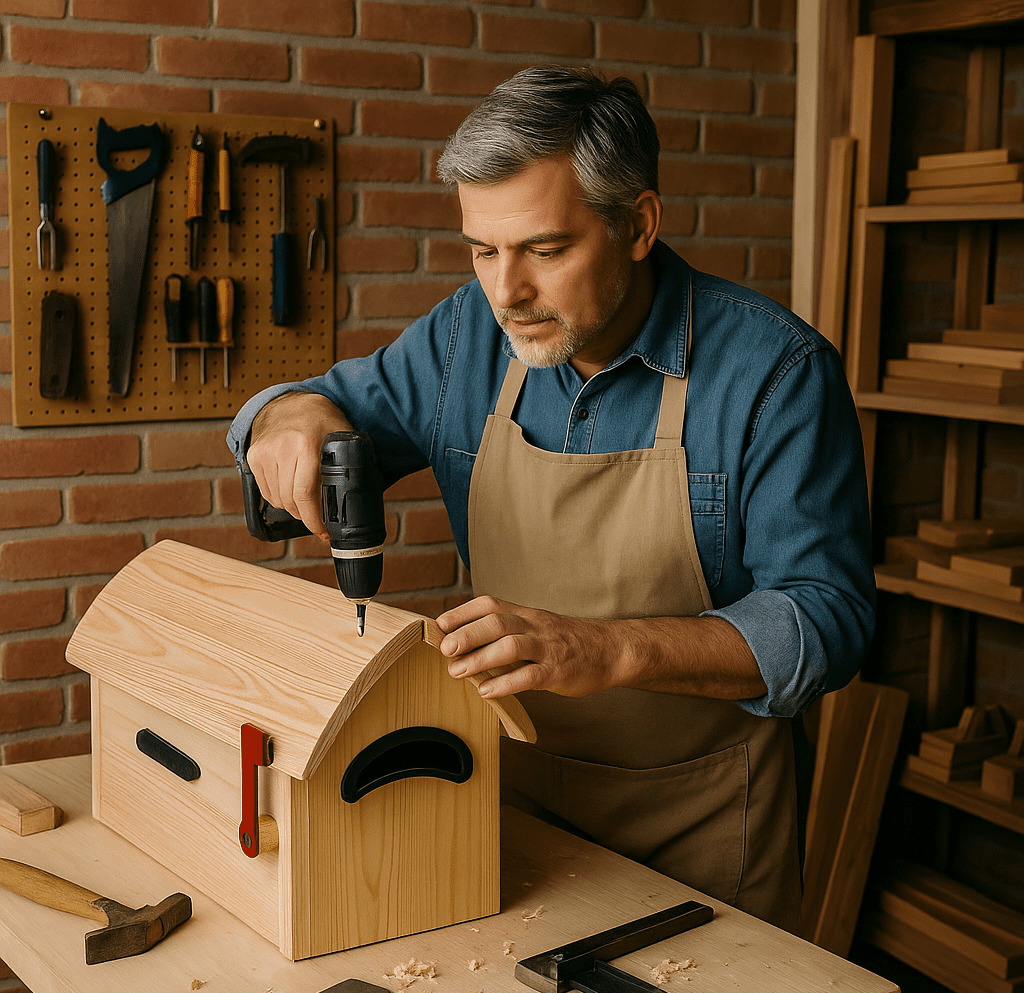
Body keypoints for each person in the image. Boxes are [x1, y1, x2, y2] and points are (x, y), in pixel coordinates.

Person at [228, 66, 875, 932]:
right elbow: (305, 406)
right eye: (482, 250)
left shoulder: (776, 373)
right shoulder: (466, 338)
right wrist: (290, 416)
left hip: (702, 833)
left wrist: (606, 649)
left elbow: (827, 621)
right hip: (507, 810)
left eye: (544, 250)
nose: (506, 293)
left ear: (638, 225)